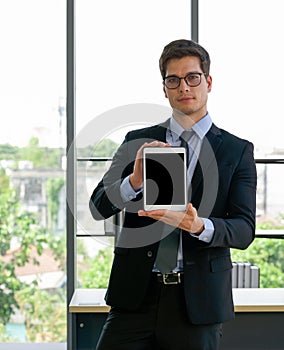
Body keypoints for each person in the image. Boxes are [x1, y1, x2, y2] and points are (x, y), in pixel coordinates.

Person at [89, 39, 257, 350]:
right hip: (134, 297)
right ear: (164, 88)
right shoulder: (137, 141)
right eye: (173, 80)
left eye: (192, 77)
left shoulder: (237, 151)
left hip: (196, 304)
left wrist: (199, 226)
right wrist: (134, 181)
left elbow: (244, 230)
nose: (184, 87)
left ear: (208, 82)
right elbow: (98, 207)